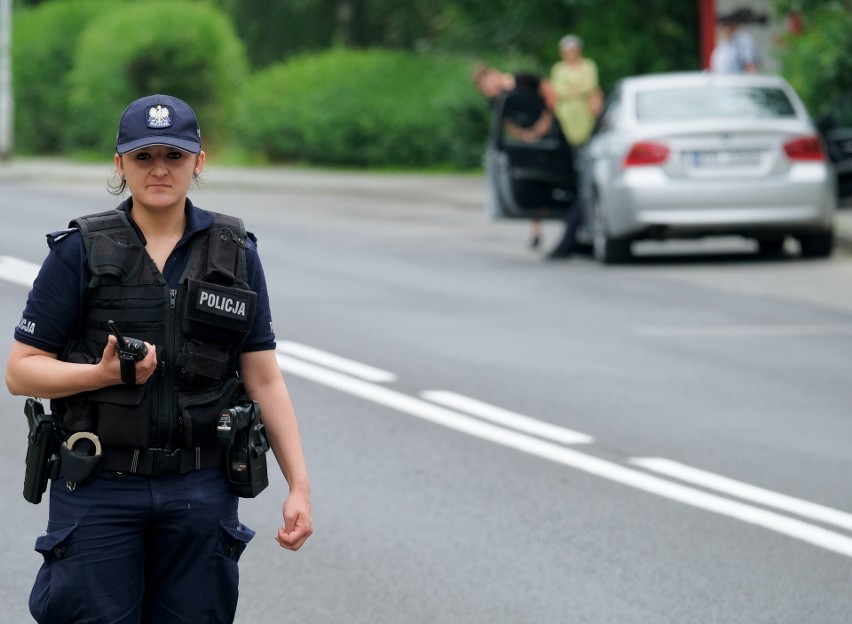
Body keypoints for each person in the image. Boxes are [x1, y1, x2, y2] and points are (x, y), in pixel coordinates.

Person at [5, 93, 313, 623]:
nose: (159, 170)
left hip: (200, 487)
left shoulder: (234, 252)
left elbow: (263, 379)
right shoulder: (79, 252)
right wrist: (99, 374)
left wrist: (299, 485)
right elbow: (20, 370)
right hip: (100, 485)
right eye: (144, 156)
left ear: (198, 161)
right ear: (120, 163)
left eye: (173, 155)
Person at [473, 62, 557, 249]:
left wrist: (544, 124)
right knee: (531, 183)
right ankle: (536, 231)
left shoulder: (525, 79)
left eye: (490, 86)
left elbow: (550, 93)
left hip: (552, 132)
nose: (491, 91)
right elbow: (507, 123)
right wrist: (525, 135)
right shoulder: (496, 100)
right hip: (527, 142)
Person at [547, 35, 602, 259]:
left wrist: (574, 90)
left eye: (574, 49)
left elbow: (589, 87)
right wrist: (577, 90)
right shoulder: (558, 68)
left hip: (585, 126)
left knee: (585, 179)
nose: (571, 53)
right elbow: (559, 90)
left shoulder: (588, 65)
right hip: (566, 125)